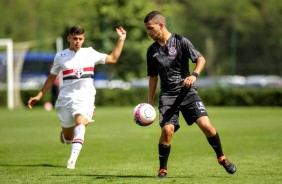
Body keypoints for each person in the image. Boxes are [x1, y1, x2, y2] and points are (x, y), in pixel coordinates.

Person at [144, 10, 236, 178]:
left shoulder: (180, 41)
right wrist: (149, 103)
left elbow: (200, 59)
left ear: (161, 25)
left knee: (206, 126)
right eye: (147, 29)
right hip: (168, 96)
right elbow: (152, 77)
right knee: (167, 130)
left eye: (150, 28)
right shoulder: (151, 51)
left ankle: (222, 158)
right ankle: (162, 169)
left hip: (188, 92)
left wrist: (193, 75)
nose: (148, 32)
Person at [28, 25, 126, 169]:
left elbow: (113, 58)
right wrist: (39, 95)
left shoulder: (90, 53)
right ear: (69, 38)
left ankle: (72, 161)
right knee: (68, 138)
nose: (78, 41)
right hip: (65, 99)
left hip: (85, 98)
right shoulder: (60, 56)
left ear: (84, 39)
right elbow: (51, 77)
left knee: (81, 122)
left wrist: (121, 39)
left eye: (80, 39)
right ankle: (65, 135)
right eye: (75, 38)